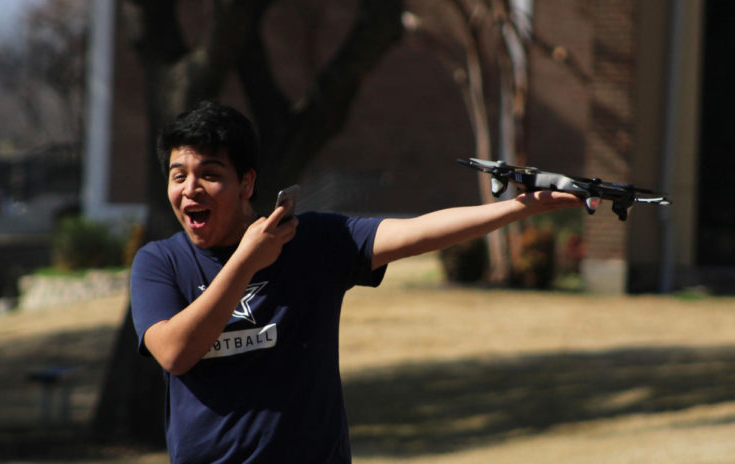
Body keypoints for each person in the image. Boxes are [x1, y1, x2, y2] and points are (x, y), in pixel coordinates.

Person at [130, 101, 582, 463]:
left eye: (209, 174)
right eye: (178, 176)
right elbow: (174, 353)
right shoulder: (160, 262)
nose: (190, 188)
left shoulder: (313, 242)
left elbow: (416, 232)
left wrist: (516, 208)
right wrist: (246, 261)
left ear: (247, 183)